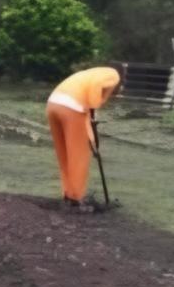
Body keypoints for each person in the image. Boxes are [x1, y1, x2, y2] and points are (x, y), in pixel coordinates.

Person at [47, 65, 123, 211]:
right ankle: (77, 200)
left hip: (53, 104)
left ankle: (68, 194)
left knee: (64, 154)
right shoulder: (113, 75)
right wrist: (96, 104)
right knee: (79, 155)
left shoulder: (91, 73)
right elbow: (94, 98)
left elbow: (90, 97)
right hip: (73, 107)